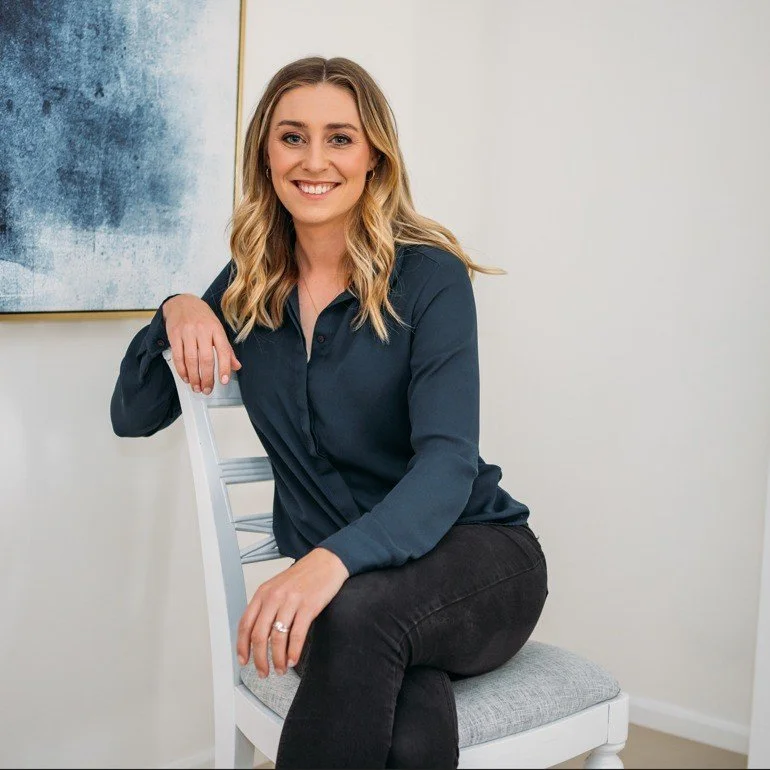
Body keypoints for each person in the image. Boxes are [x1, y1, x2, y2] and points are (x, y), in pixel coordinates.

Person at [111, 56, 548, 770]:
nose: (314, 160)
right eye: (292, 137)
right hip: (353, 599)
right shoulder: (249, 286)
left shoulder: (428, 277)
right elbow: (133, 415)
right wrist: (177, 308)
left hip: (475, 560)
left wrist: (327, 562)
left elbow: (447, 465)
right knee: (406, 729)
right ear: (266, 154)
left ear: (374, 156)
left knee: (353, 613)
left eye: (340, 138)